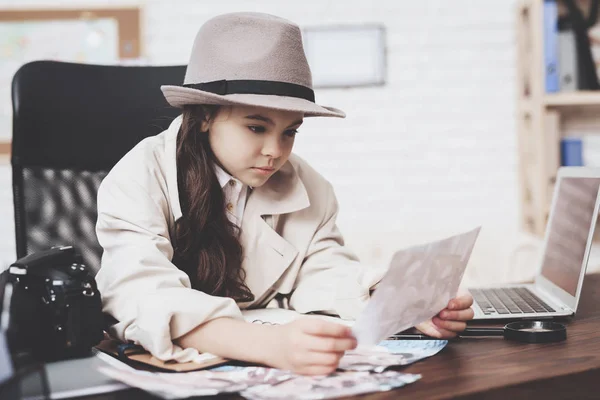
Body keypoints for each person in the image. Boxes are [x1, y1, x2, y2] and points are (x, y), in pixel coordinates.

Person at [95, 12, 474, 376]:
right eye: (256, 128)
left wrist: (396, 302)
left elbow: (321, 270)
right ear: (205, 115)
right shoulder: (139, 176)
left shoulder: (309, 186)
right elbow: (140, 292)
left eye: (290, 131)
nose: (275, 151)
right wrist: (267, 345)